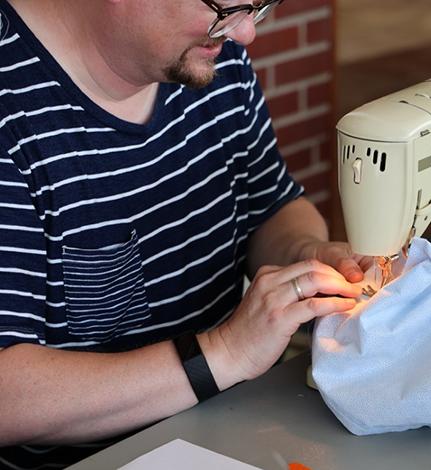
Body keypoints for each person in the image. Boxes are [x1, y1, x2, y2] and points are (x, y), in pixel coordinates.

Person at [0, 0, 366, 468]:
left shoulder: (211, 54)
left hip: (237, 430)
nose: (244, 34)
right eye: (224, 8)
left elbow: (269, 206)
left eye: (258, 7)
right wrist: (223, 354)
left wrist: (308, 261)